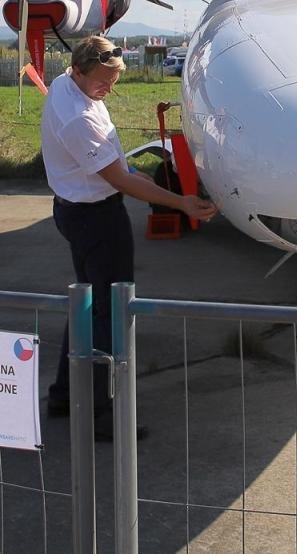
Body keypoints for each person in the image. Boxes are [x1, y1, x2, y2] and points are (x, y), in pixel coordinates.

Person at [43, 35, 218, 435]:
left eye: (114, 79)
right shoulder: (79, 118)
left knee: (87, 305)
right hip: (96, 219)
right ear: (81, 69)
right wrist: (182, 202)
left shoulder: (66, 85)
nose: (110, 88)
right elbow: (121, 179)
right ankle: (102, 415)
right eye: (104, 80)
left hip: (78, 211)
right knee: (110, 311)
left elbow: (121, 170)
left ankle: (65, 395)